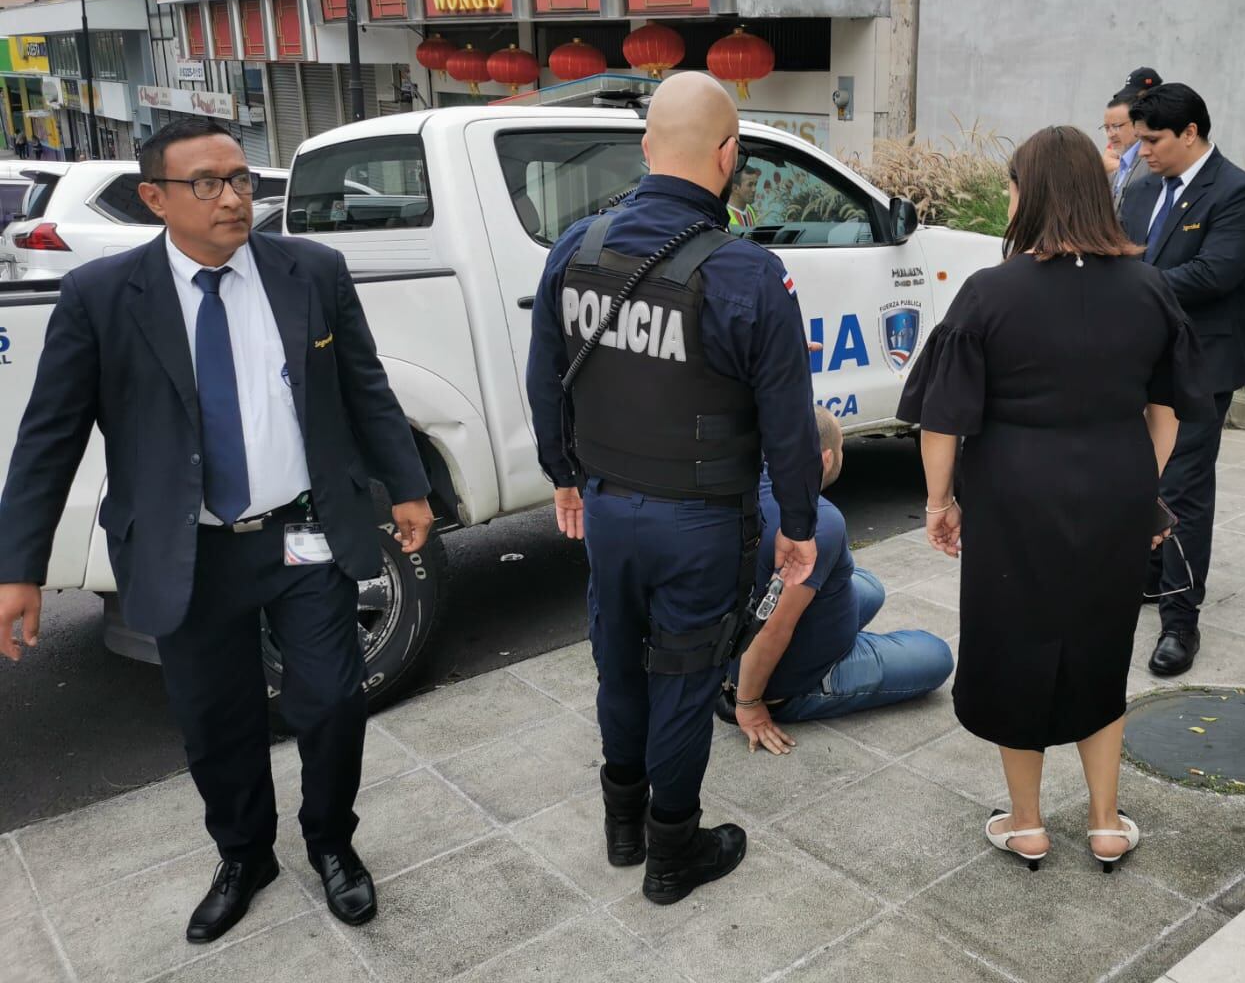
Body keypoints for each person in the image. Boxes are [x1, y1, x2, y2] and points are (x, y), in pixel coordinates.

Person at [0, 117, 433, 943]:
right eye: (208, 183)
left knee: (333, 701)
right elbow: (49, 437)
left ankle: (333, 845)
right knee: (216, 719)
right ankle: (244, 855)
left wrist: (406, 489)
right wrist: (17, 564)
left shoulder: (311, 270)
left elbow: (365, 389)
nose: (234, 197)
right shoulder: (103, 298)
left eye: (240, 179)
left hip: (304, 535)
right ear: (155, 197)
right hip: (186, 548)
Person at [527, 71, 820, 904]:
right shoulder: (748, 273)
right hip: (699, 522)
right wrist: (797, 523)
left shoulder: (576, 248)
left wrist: (565, 475)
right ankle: (672, 852)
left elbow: (545, 379)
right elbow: (788, 423)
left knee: (618, 667)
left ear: (648, 148)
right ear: (728, 156)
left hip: (610, 510)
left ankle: (623, 828)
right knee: (683, 682)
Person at [898, 125, 1211, 872]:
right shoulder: (1149, 286)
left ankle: (1029, 823)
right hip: (1116, 485)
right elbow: (1168, 408)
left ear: (1030, 194)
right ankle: (1106, 822)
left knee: (1016, 645)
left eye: (1012, 185)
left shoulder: (991, 293)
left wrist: (940, 502)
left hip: (1013, 490)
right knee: (1102, 646)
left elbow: (943, 419)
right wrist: (1141, 482)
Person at [1119, 83, 1245, 677]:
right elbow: (1117, 250)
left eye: (1152, 140)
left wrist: (1122, 284)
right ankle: (1147, 577)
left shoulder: (1238, 192)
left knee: (1182, 487)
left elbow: (1213, 273)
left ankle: (1181, 620)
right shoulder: (1141, 187)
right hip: (1137, 360)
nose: (1142, 151)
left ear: (1190, 133)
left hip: (1201, 365)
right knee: (1135, 474)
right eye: (1138, 138)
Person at [716, 407, 954, 751]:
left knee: (869, 585)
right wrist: (749, 704)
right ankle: (787, 685)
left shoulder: (744, 481)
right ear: (825, 460)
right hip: (792, 681)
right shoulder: (817, 525)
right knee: (936, 654)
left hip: (730, 640)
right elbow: (772, 627)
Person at [1102, 66, 1163, 209]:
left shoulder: (1158, 148)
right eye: (1106, 128)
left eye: (1117, 126)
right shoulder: (1122, 147)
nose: (1111, 133)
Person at [726, 166, 761, 230]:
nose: (754, 189)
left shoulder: (750, 210)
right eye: (750, 185)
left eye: (755, 184)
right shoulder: (723, 214)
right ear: (735, 188)